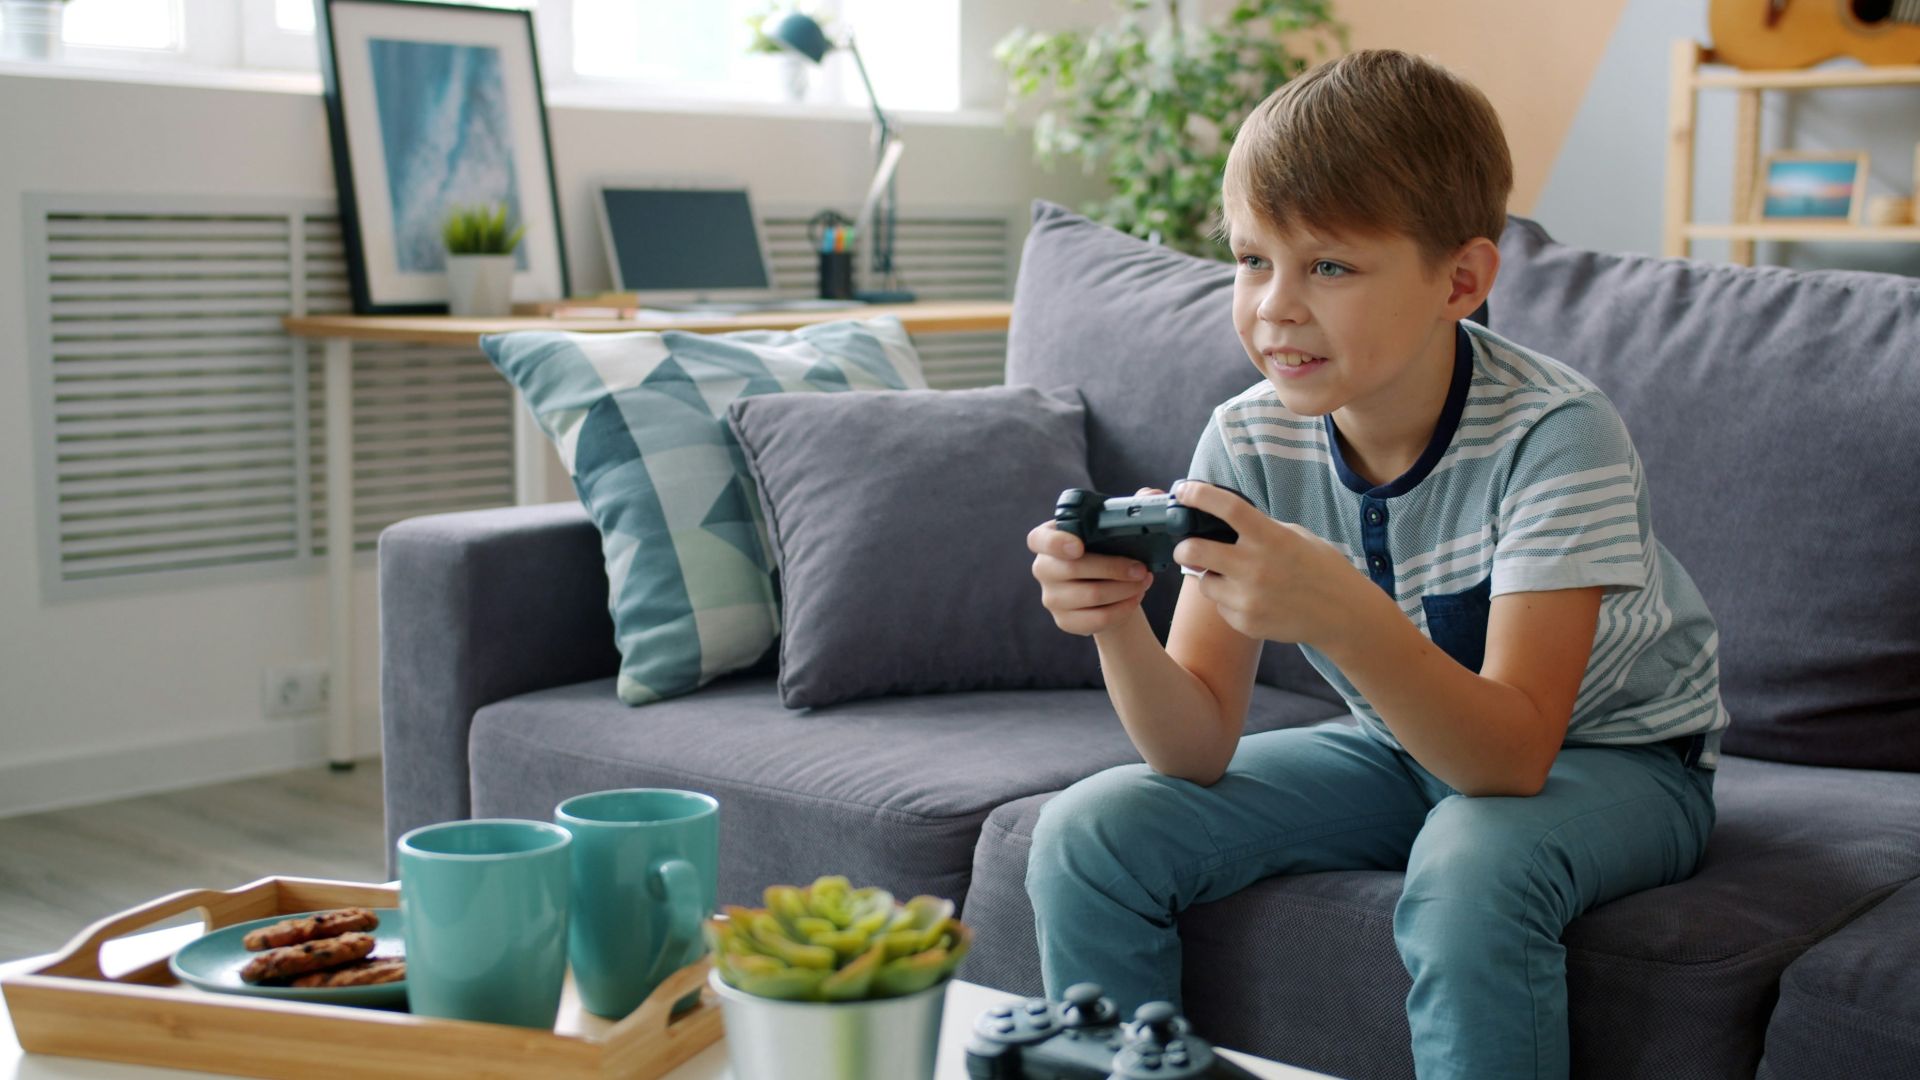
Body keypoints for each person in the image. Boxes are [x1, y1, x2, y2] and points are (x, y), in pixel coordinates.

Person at [1023, 49, 1726, 1080]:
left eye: (1331, 266)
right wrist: (1117, 621)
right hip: (1400, 745)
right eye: (1254, 259)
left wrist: (1342, 612)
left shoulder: (1556, 434)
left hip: (1620, 761)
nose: (1275, 306)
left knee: (1471, 861)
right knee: (1090, 830)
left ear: (1462, 280)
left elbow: (1510, 761)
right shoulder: (1248, 441)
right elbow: (1193, 751)